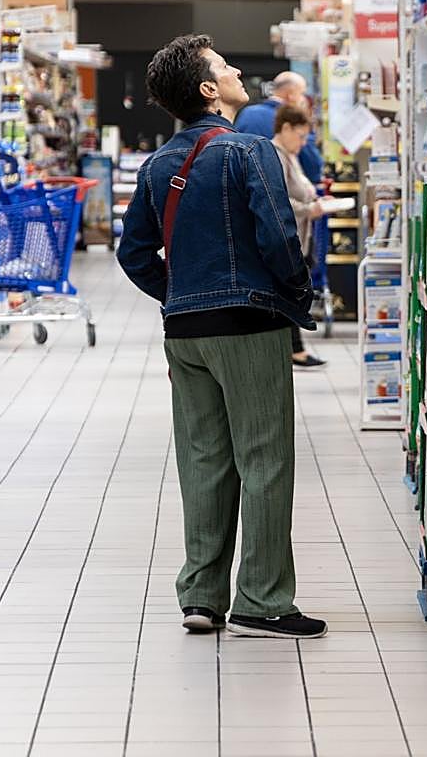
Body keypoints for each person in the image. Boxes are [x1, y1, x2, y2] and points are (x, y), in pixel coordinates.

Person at [116, 34, 326, 640]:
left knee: (203, 458)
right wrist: (295, 293)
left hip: (185, 333)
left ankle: (201, 597)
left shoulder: (157, 165)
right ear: (210, 90)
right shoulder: (249, 151)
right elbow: (279, 236)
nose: (236, 71)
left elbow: (134, 253)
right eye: (224, 67)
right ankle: (262, 601)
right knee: (263, 458)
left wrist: (180, 293)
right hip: (246, 325)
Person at [272, 105, 328, 368]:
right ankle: (294, 349)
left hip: (301, 236)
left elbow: (301, 189)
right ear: (285, 128)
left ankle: (294, 347)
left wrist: (317, 198)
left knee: (293, 295)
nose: (303, 142)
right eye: (301, 135)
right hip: (288, 238)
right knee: (289, 295)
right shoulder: (276, 155)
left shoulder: (290, 155)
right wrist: (309, 209)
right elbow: (279, 199)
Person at [234, 71, 324, 185]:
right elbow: (313, 166)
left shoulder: (247, 113)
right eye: (302, 94)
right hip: (283, 190)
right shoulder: (296, 120)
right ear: (291, 94)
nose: (303, 99)